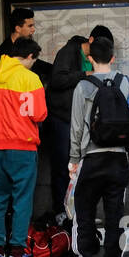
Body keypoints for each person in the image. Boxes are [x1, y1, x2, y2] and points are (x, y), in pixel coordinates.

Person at [63, 37, 129, 257]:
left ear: (90, 59)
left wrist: (74, 158)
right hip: (118, 158)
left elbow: (77, 127)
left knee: (84, 212)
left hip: (91, 158)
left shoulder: (83, 86)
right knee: (115, 212)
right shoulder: (127, 83)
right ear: (113, 58)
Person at [0, 37, 48, 257]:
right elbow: (39, 114)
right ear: (30, 57)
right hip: (22, 147)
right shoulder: (30, 78)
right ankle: (17, 255)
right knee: (22, 201)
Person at [45, 34, 90, 214]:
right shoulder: (69, 52)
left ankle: (73, 213)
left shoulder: (81, 55)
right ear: (91, 41)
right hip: (62, 120)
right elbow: (57, 80)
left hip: (75, 121)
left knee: (74, 169)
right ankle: (62, 213)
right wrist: (84, 74)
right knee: (63, 168)